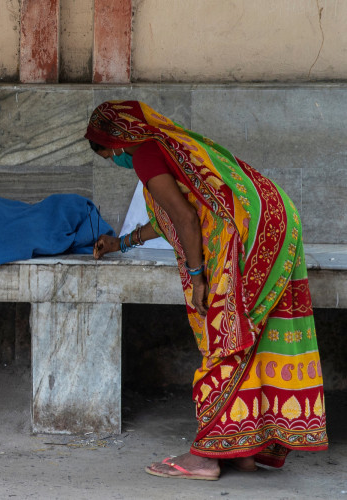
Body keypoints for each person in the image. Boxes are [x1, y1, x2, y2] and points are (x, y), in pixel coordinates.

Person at [86, 100, 328, 480]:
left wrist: (198, 276)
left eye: (106, 155)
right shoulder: (170, 143)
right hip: (276, 220)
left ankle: (207, 455)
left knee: (224, 336)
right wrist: (124, 241)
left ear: (116, 144)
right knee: (249, 335)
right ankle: (244, 449)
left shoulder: (146, 156)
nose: (113, 161)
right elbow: (176, 216)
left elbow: (184, 219)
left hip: (247, 235)